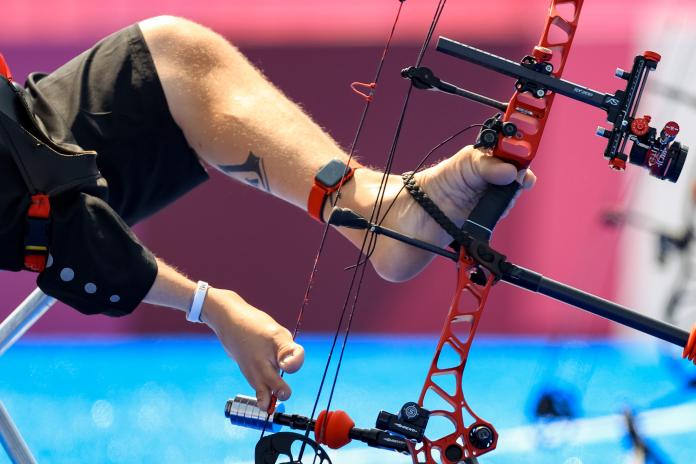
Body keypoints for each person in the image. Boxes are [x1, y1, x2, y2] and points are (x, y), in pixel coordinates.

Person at [0, 16, 535, 411]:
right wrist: (209, 307)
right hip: (20, 191)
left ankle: (373, 209)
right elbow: (43, 223)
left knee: (172, 55)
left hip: (21, 133)